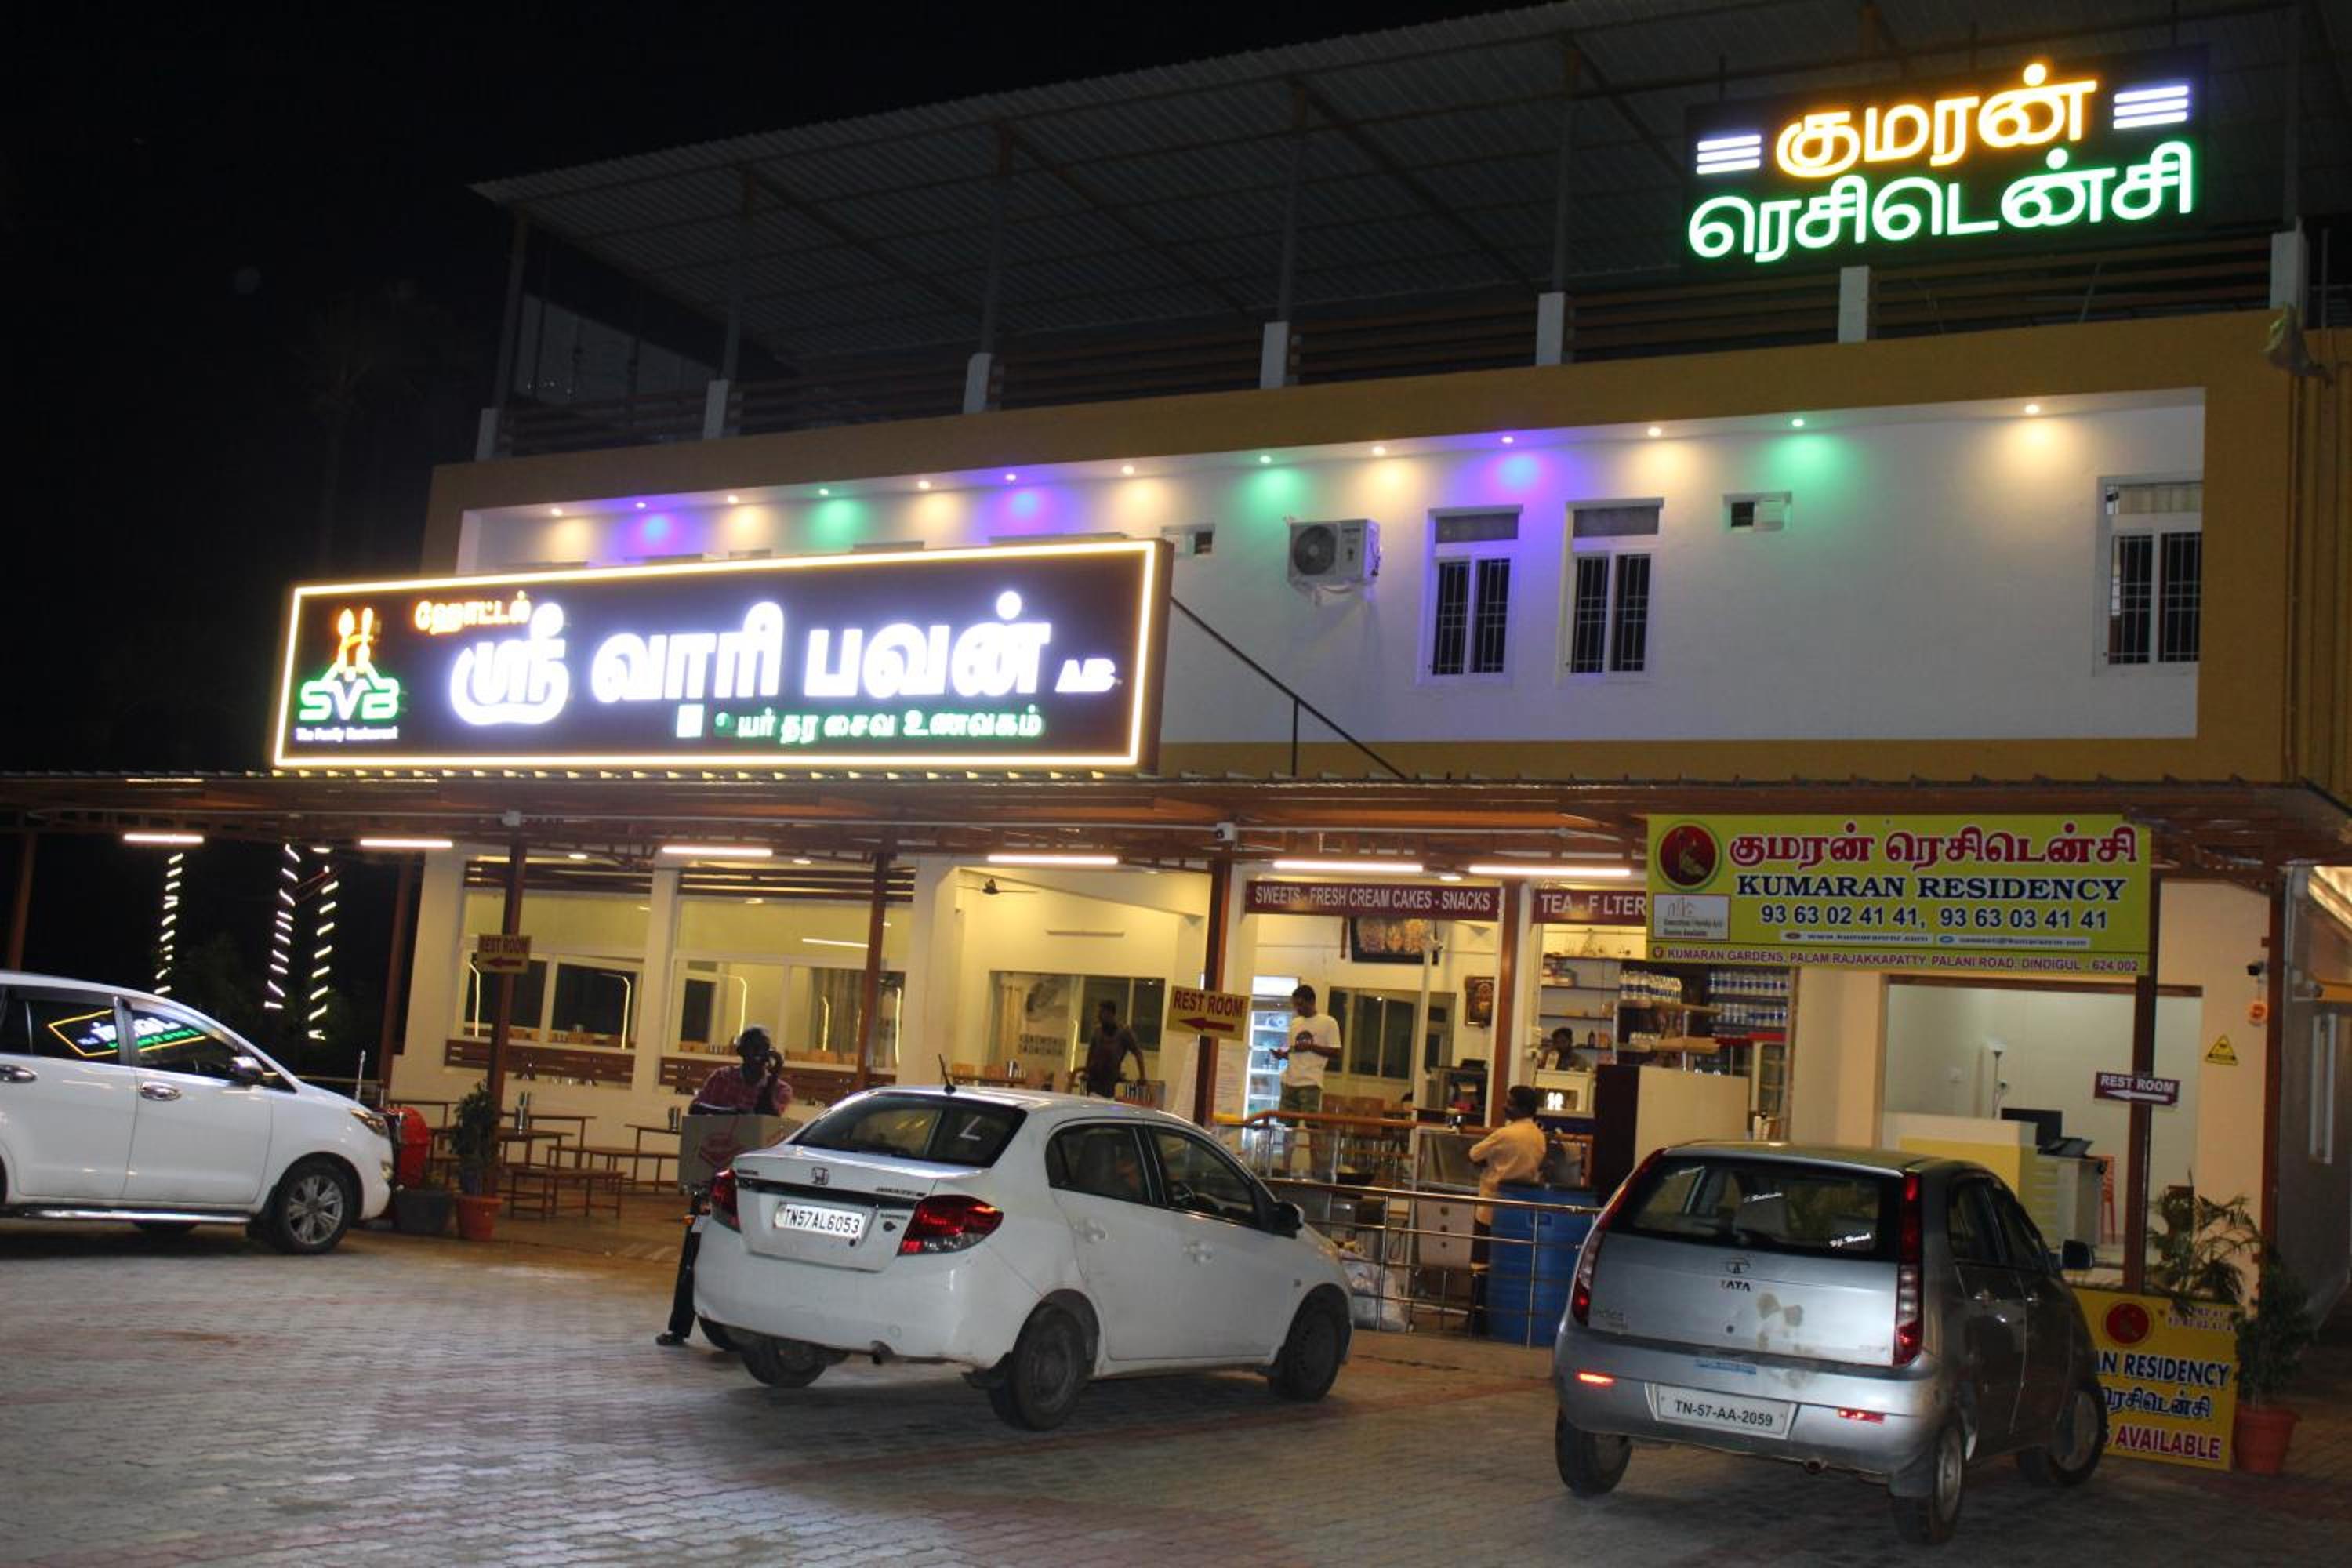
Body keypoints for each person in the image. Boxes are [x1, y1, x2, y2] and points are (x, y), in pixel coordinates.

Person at [658, 1028, 794, 1348]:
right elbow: (697, 1108)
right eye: (751, 1048)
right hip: (710, 1181)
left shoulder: (779, 1087)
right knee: (693, 1253)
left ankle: (741, 1328)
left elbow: (768, 1115)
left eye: (763, 1049)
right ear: (740, 1051)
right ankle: (679, 1327)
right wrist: (731, 1113)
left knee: (744, 1257)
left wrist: (772, 1077)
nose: (757, 1055)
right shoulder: (722, 1078)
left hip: (748, 1188)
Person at [1466, 1084, 1548, 1332]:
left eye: (1509, 1103)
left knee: (1480, 1265)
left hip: (1491, 1208)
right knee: (1508, 1268)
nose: (1505, 1106)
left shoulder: (1505, 1134)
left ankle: (1477, 1321)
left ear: (1521, 1108)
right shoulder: (1538, 1136)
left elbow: (1473, 1154)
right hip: (1520, 1212)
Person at [1272, 984, 1341, 1174]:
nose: (1298, 1009)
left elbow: (1336, 1052)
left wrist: (1311, 1047)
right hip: (1290, 1080)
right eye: (1295, 1005)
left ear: (1312, 1001)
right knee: (1287, 1129)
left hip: (1311, 1081)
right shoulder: (1295, 1023)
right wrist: (1283, 1055)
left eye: (1301, 1004)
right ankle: (1285, 1168)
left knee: (1313, 1128)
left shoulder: (1328, 1022)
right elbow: (1295, 1051)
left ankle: (1315, 1169)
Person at [1082, 999, 1146, 1098]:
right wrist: (1086, 1071)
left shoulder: (1124, 1032)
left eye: (1101, 1013)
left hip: (1109, 1079)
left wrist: (1142, 1076)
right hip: (1094, 1078)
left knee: (1105, 1101)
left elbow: (1138, 1053)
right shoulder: (1097, 1031)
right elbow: (1091, 1052)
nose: (1098, 1016)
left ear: (1110, 1014)